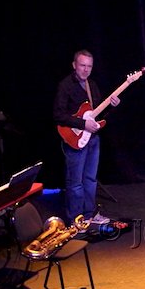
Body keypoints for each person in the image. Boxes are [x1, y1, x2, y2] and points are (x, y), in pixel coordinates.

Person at [53, 49, 119, 226]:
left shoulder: (93, 85)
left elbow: (96, 113)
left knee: (90, 179)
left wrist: (111, 106)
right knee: (75, 182)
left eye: (89, 66)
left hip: (93, 139)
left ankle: (89, 215)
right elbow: (58, 115)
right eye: (82, 65)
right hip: (74, 139)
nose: (85, 70)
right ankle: (76, 220)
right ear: (74, 65)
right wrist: (82, 125)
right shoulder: (65, 86)